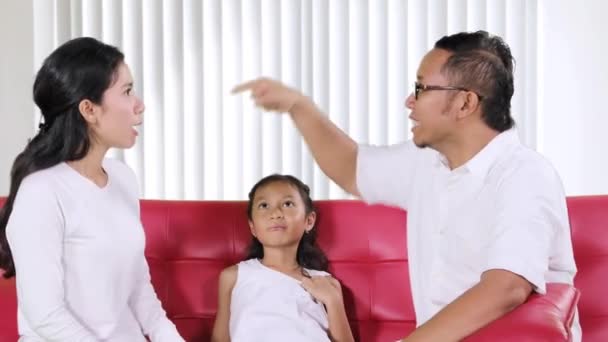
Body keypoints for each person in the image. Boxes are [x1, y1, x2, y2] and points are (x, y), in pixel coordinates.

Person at [232, 31, 580, 341]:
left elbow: (506, 288)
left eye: (421, 88)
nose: (409, 102)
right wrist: (299, 106)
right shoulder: (426, 163)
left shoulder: (525, 175)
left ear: (465, 103)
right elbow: (351, 167)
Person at [0, 37, 184, 341]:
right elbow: (46, 316)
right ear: (89, 109)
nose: (139, 105)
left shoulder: (123, 178)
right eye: (126, 91)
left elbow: (139, 289)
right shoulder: (41, 192)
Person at [211, 174, 354, 342]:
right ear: (253, 227)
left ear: (309, 220)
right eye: (264, 205)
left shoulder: (326, 282)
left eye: (287, 204)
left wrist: (333, 300)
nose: (276, 213)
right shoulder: (234, 276)